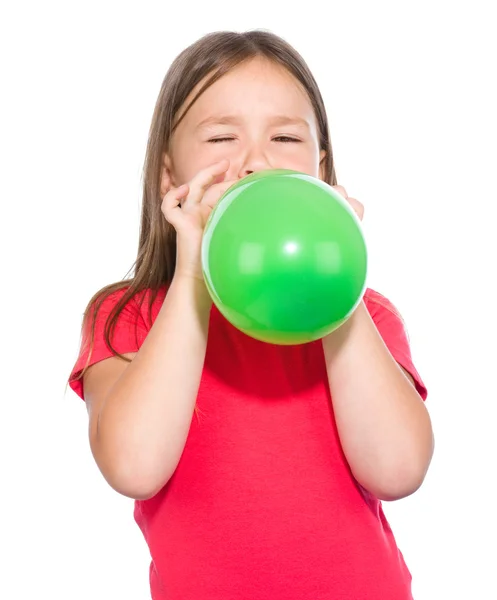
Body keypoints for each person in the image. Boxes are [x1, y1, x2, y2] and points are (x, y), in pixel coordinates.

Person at [67, 29, 434, 600]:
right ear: (169, 175)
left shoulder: (365, 315)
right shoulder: (127, 316)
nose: (257, 161)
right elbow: (134, 466)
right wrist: (192, 271)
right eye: (221, 137)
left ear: (319, 168)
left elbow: (399, 470)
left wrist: (337, 280)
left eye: (285, 137)